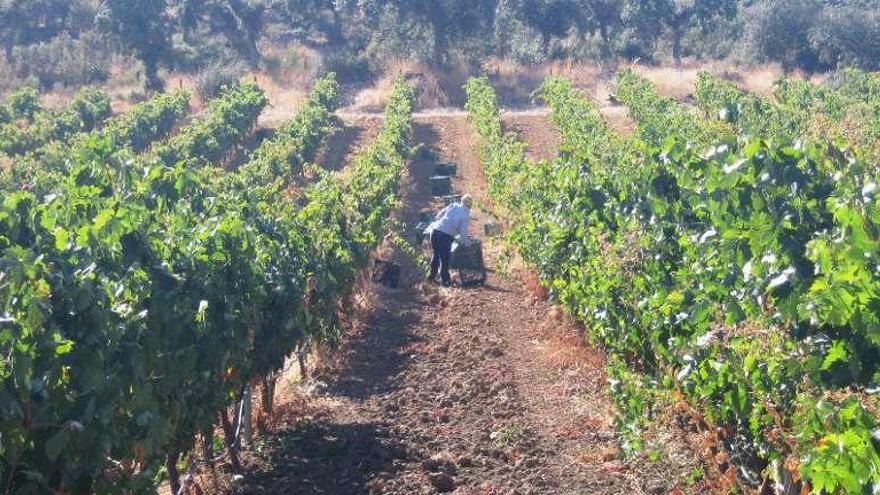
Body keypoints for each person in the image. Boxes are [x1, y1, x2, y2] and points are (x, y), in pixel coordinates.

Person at [427, 194, 472, 287]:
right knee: (445, 259)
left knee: (436, 255)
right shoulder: (466, 215)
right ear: (470, 205)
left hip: (434, 232)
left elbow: (439, 215)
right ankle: (445, 281)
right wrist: (467, 243)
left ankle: (431, 277)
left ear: (461, 201)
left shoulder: (454, 205)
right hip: (444, 236)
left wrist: (442, 223)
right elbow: (463, 232)